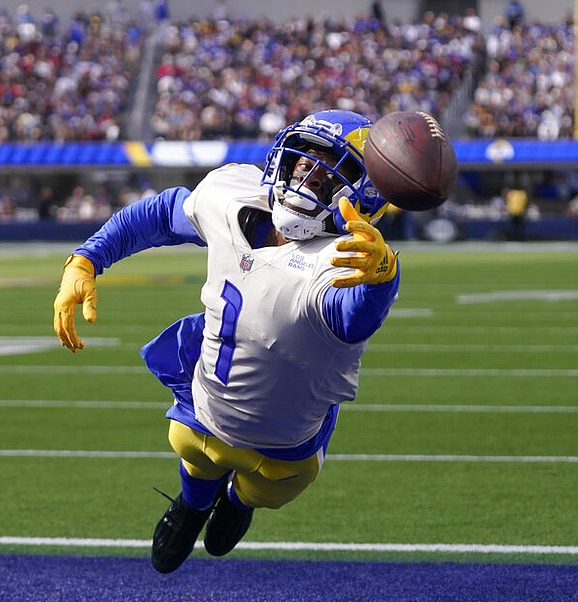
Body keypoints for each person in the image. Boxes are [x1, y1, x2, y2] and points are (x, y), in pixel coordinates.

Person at [53, 109, 400, 573]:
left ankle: (238, 501)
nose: (306, 180)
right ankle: (193, 506)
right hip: (207, 401)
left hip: (287, 442)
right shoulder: (231, 194)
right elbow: (159, 213)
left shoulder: (344, 260)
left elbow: (355, 317)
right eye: (303, 164)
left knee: (268, 487)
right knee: (192, 451)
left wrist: (382, 281)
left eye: (325, 174)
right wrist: (86, 259)